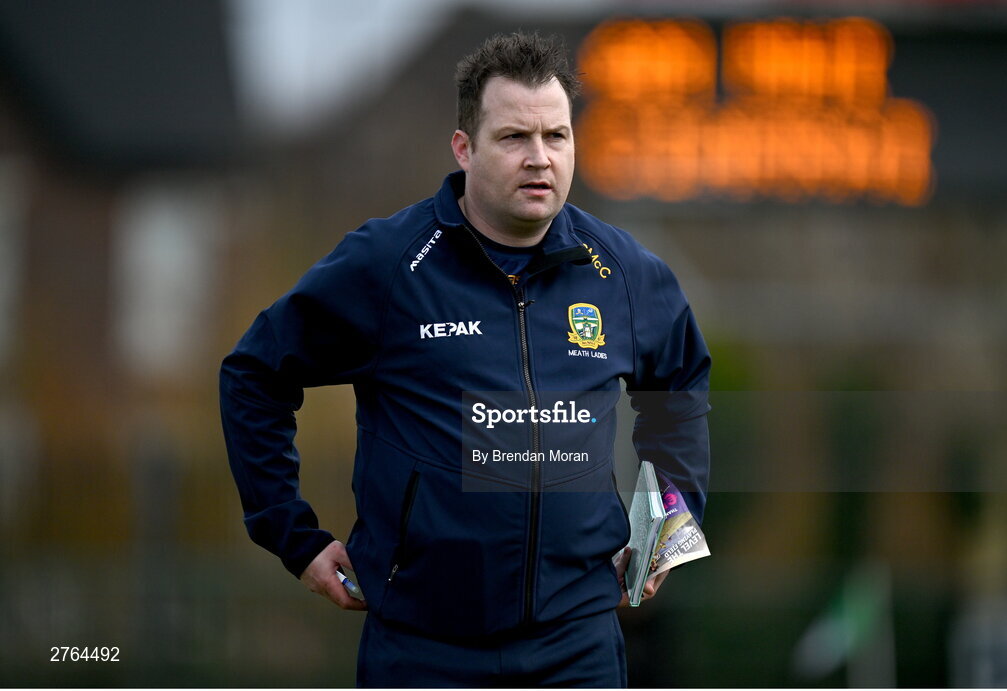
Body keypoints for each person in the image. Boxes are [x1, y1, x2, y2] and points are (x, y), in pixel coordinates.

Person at [220, 31, 710, 687]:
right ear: (464, 148)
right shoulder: (388, 264)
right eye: (514, 138)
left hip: (579, 646)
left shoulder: (620, 272)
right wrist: (293, 536)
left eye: (556, 137)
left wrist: (661, 529)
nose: (540, 158)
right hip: (425, 649)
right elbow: (255, 375)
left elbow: (678, 386)